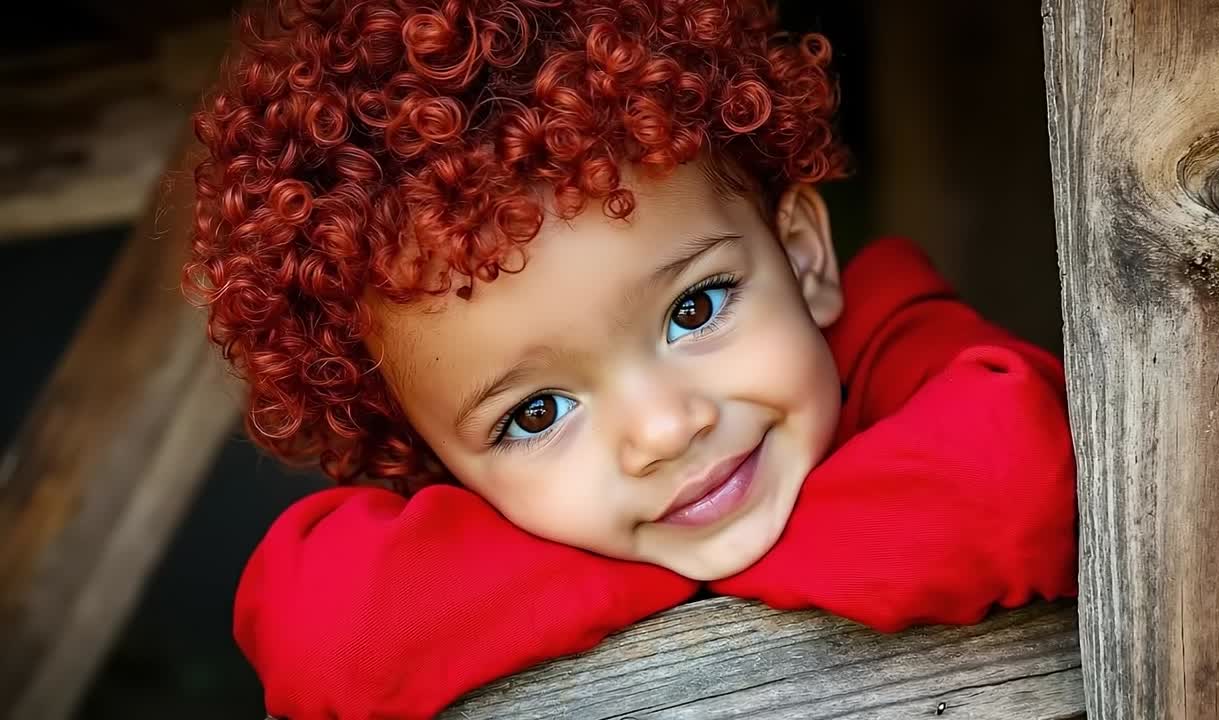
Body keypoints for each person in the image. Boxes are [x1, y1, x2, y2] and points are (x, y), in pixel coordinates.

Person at [184, 0, 1078, 717]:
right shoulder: (495, 502)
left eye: (696, 308)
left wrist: (660, 565)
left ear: (802, 256)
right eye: (536, 414)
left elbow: (1019, 478)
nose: (663, 430)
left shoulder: (892, 333)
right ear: (434, 464)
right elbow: (329, 642)